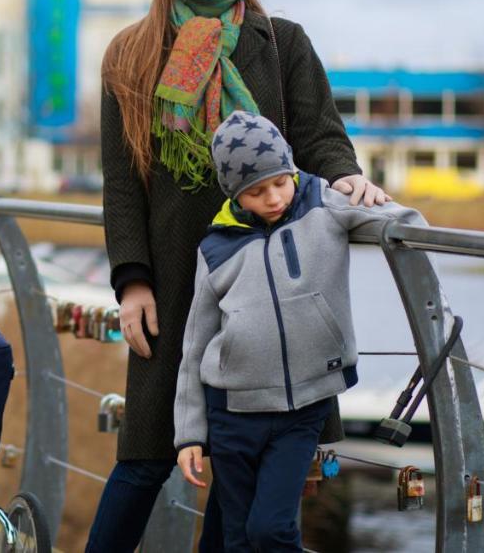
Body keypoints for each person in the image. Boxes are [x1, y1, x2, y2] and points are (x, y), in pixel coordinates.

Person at [86, 0, 388, 552]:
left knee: (240, 476)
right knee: (145, 456)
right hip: (174, 281)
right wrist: (131, 281)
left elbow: (319, 137)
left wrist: (345, 175)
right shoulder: (131, 54)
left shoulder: (280, 42)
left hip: (269, 285)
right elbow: (121, 181)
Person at [174, 111, 425, 551]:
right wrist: (190, 434)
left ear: (292, 171)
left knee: (270, 530)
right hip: (232, 413)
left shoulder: (324, 205)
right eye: (256, 191)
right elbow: (195, 345)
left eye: (280, 182)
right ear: (234, 194)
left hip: (302, 412)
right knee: (237, 537)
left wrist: (376, 198)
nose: (273, 197)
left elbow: (407, 226)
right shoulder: (216, 248)